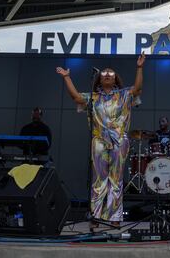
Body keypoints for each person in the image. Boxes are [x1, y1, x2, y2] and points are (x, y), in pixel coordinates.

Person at [56, 53, 145, 228]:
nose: (107, 75)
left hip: (120, 140)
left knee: (116, 179)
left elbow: (138, 89)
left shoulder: (124, 94)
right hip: (98, 141)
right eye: (104, 73)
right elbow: (76, 97)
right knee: (99, 179)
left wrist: (140, 67)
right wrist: (67, 78)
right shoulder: (93, 96)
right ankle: (96, 217)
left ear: (116, 79)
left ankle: (115, 216)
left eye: (111, 73)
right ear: (98, 78)